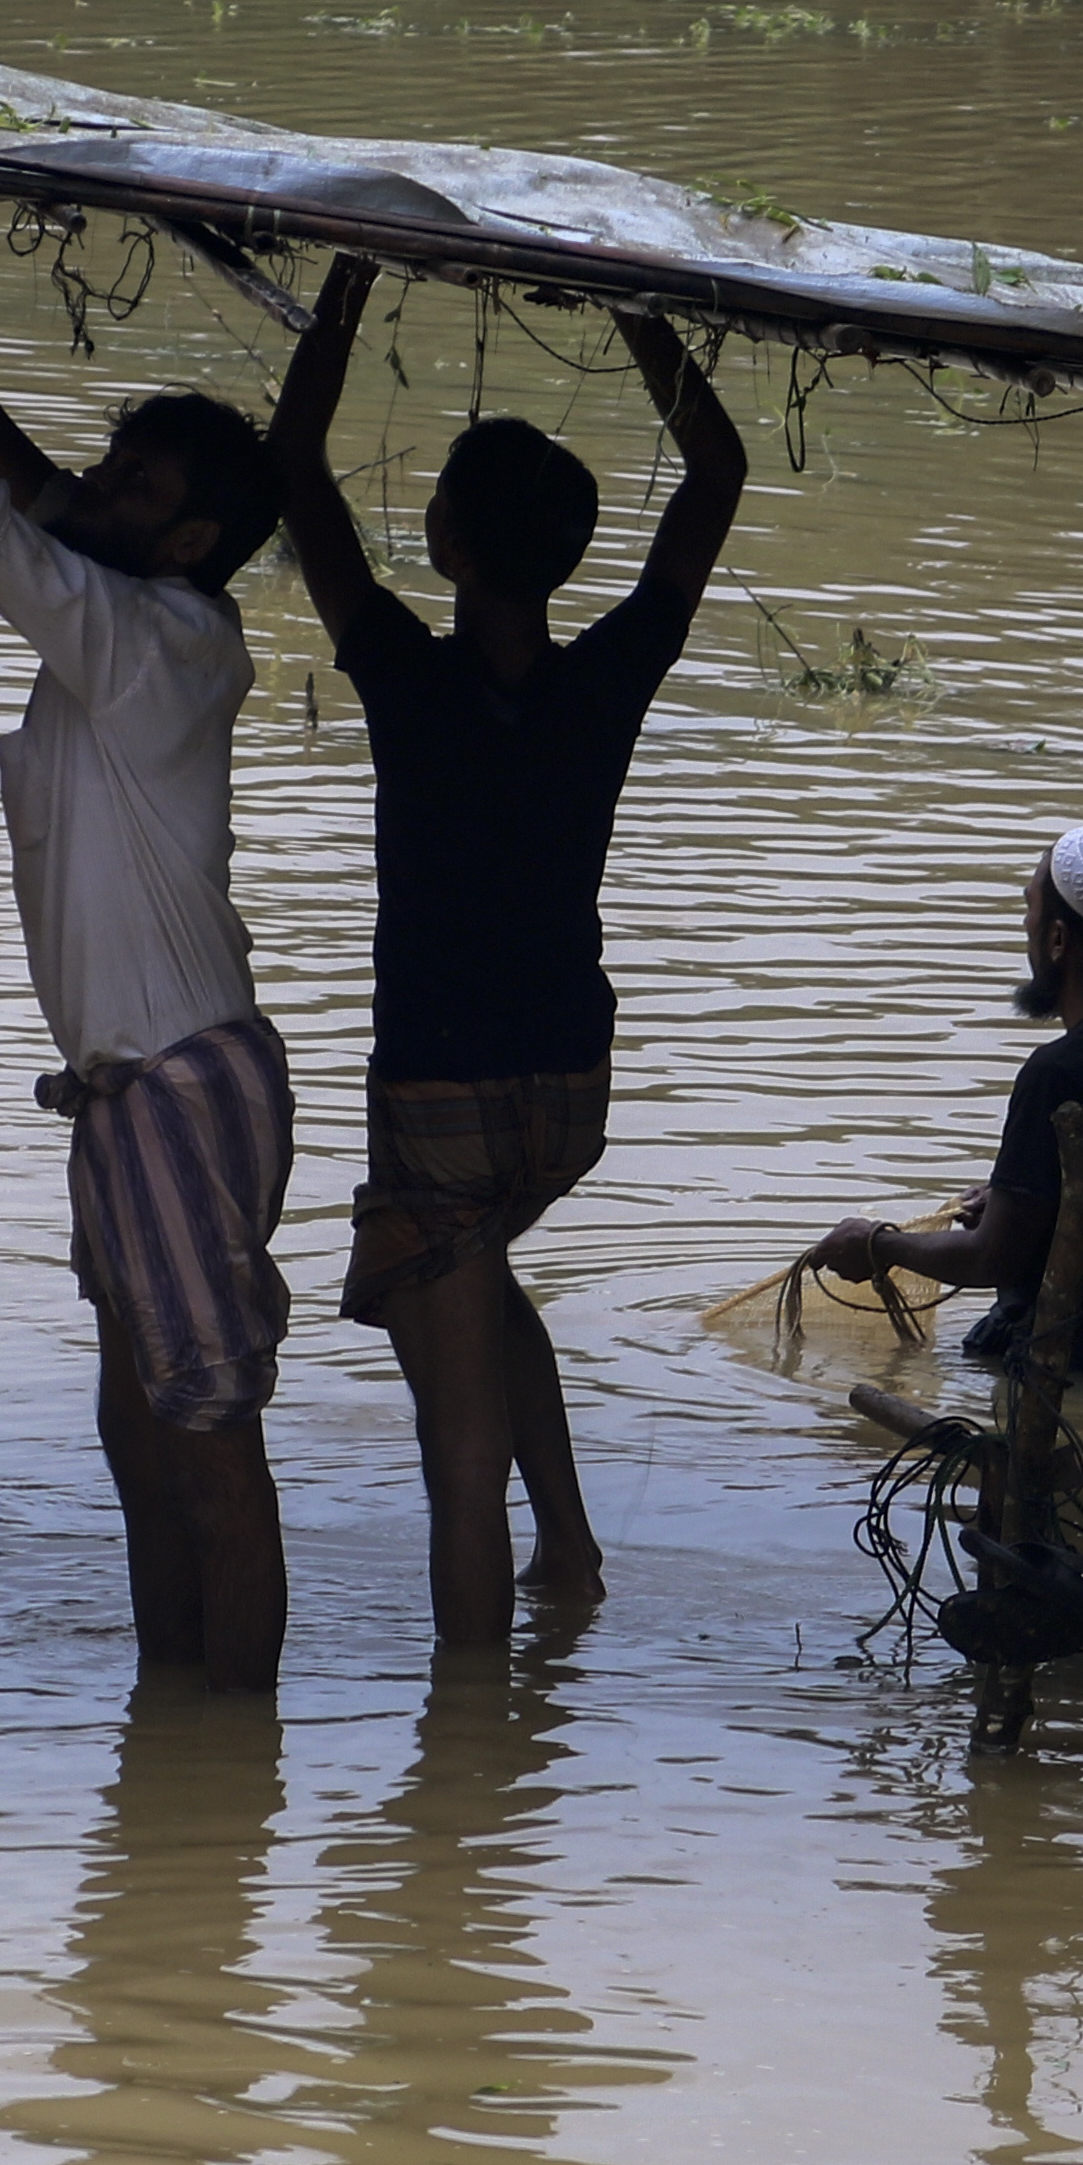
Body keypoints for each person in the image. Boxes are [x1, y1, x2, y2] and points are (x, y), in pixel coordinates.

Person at [0, 233, 299, 1694]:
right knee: (142, 1435)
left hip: (174, 1085)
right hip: (133, 1087)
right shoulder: (131, 608)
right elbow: (6, 467)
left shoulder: (160, 639)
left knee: (204, 1443)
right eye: (115, 468)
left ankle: (232, 1735)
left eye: (140, 487)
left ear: (194, 541)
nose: (101, 492)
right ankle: (182, 1737)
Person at [267, 263, 750, 1648]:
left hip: (442, 1101)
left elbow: (291, 459)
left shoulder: (405, 678)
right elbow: (713, 469)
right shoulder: (606, 678)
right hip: (567, 1096)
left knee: (455, 1455)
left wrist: (344, 289)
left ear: (449, 550)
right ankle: (575, 1556)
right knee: (486, 1287)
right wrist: (628, 306)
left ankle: (467, 1789)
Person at [812, 824, 1083, 1374]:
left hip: (1070, 1363)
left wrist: (878, 1245)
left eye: (1029, 906)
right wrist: (1031, 1202)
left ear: (1058, 940)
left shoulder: (1055, 1070)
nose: (1024, 923)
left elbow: (991, 1257)